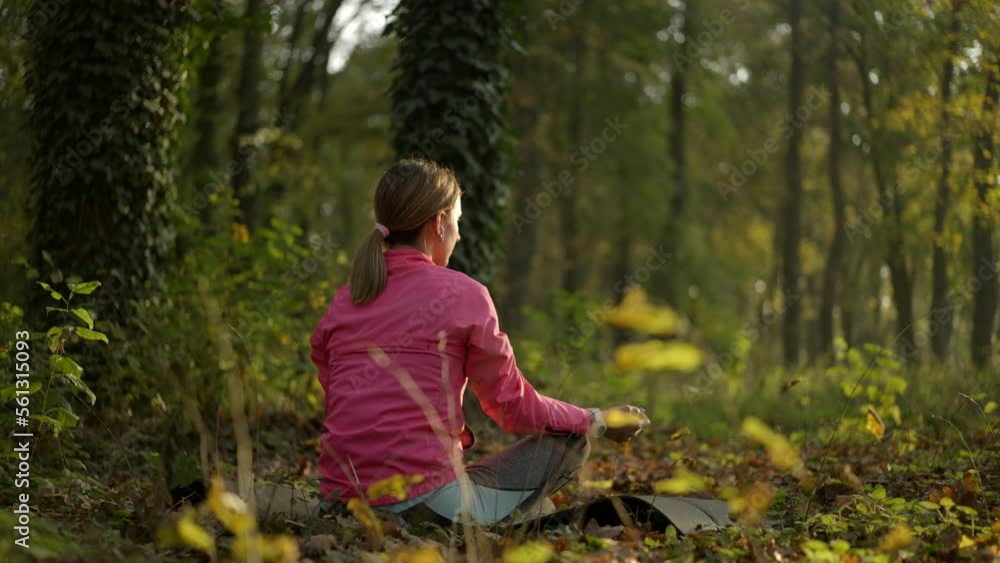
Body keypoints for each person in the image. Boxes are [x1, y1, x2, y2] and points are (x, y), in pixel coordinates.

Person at [309, 158, 649, 526]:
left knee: (468, 471)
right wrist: (596, 419)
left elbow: (340, 400)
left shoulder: (344, 301)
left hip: (339, 502)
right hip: (425, 507)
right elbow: (512, 406)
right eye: (457, 222)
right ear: (438, 223)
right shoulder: (464, 294)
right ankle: (505, 515)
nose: (459, 234)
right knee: (570, 441)